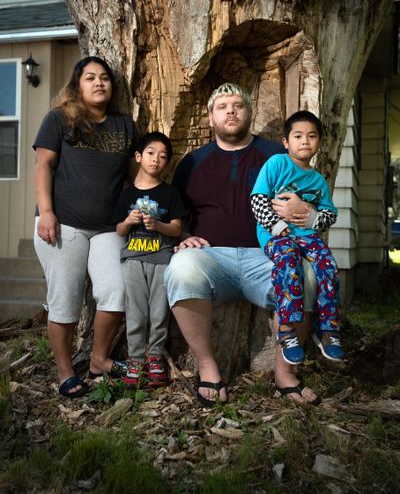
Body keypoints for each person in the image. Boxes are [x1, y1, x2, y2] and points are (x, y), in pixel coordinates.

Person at [164, 83, 319, 406]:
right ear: (210, 118)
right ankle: (208, 368)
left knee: (306, 275)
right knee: (180, 267)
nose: (230, 111)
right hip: (212, 258)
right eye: (222, 106)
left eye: (238, 105)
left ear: (250, 112)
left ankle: (285, 374)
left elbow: (306, 199)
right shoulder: (193, 163)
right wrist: (183, 235)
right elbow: (177, 213)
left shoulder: (277, 158)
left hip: (267, 256)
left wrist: (305, 212)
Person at [33, 56, 140, 398]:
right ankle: (65, 372)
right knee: (64, 300)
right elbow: (43, 166)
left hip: (110, 226)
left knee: (117, 291)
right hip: (63, 224)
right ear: (77, 86)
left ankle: (98, 359)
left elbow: (135, 176)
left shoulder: (125, 125)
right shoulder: (60, 119)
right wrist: (46, 212)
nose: (98, 83)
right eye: (90, 77)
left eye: (105, 78)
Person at [250, 110, 344, 366]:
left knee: (329, 266)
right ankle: (287, 329)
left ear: (319, 143)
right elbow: (257, 201)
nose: (305, 141)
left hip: (308, 236)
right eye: (298, 136)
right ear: (286, 142)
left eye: (311, 136)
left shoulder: (318, 180)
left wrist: (312, 217)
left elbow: (329, 214)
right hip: (276, 235)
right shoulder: (277, 164)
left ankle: (328, 329)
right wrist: (276, 225)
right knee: (290, 262)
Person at [114, 132, 187, 388]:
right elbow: (119, 231)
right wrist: (128, 221)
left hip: (161, 260)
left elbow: (177, 229)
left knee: (158, 310)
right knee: (135, 311)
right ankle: (135, 360)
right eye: (150, 153)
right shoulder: (126, 195)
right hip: (133, 259)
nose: (156, 160)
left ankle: (155, 357)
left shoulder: (170, 194)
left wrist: (157, 224)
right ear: (138, 156)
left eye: (163, 156)